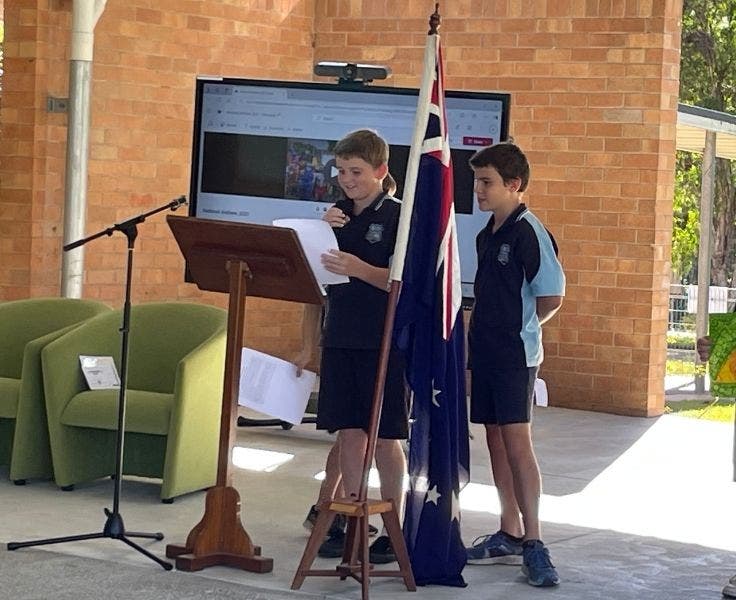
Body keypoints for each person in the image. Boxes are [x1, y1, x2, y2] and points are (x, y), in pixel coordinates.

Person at [295, 131, 408, 564]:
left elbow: (404, 283)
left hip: (381, 340)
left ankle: (393, 525)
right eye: (341, 171)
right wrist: (318, 233)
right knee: (349, 433)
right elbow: (316, 281)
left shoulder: (397, 216)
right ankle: (354, 516)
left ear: (380, 171)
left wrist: (361, 268)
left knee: (384, 437)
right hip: (340, 335)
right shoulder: (337, 215)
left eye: (356, 172)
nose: (347, 180)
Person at [463, 142, 565, 587]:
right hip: (485, 352)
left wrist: (520, 329)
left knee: (517, 442)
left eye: (487, 182)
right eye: (477, 182)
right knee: (495, 439)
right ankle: (509, 529)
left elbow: (551, 295)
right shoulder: (486, 233)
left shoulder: (529, 232)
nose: (479, 190)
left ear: (514, 184)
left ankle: (535, 541)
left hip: (514, 357)